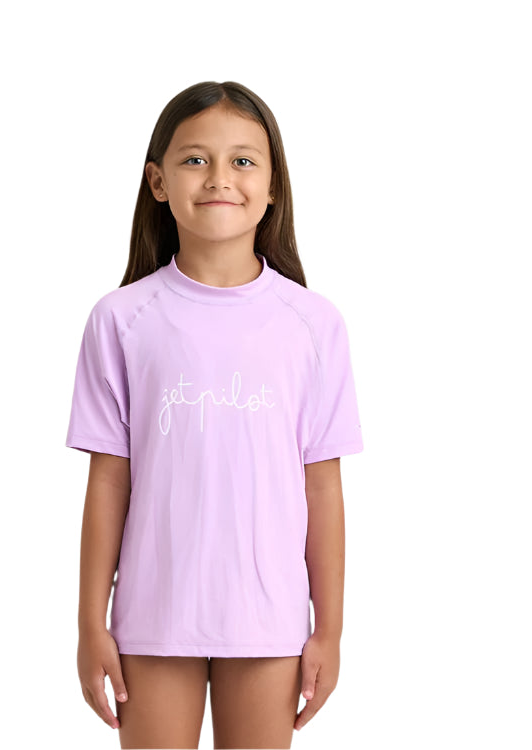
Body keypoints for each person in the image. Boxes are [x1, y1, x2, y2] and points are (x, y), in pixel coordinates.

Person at [65, 80, 364, 749]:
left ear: (273, 185)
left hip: (269, 622)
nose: (219, 178)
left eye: (243, 161)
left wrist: (330, 630)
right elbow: (108, 481)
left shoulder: (313, 325)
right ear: (158, 181)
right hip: (152, 619)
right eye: (195, 159)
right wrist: (90, 623)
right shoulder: (122, 320)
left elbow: (322, 487)